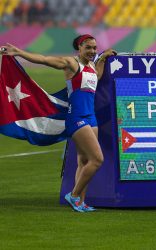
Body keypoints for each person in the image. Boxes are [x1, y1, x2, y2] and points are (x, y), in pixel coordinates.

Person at [0, 34, 116, 212]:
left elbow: (97, 77)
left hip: (91, 118)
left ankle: (80, 202)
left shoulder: (92, 65)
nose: (92, 51)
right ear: (79, 48)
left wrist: (103, 57)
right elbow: (45, 60)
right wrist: (18, 52)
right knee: (97, 159)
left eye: (94, 48)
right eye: (88, 48)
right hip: (77, 119)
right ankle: (74, 195)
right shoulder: (71, 64)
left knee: (84, 161)